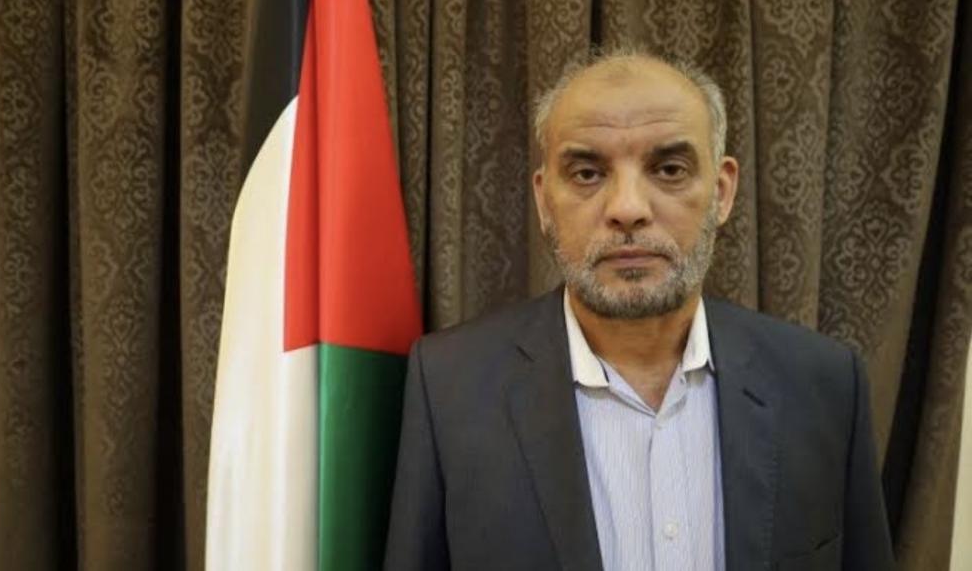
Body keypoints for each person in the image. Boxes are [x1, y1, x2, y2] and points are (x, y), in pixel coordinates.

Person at [383, 49, 894, 570]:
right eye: (587, 173)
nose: (627, 208)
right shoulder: (450, 389)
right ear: (543, 200)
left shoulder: (824, 384)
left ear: (721, 193)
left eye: (669, 169)